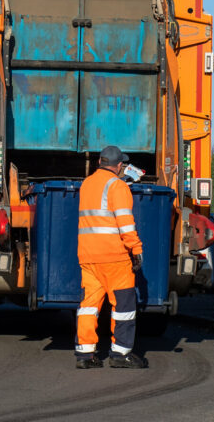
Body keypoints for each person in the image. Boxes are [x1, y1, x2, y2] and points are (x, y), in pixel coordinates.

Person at [75, 145, 147, 369]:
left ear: (99, 162)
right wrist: (136, 249)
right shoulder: (118, 186)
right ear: (119, 166)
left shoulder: (87, 184)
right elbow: (125, 223)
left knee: (89, 306)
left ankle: (85, 355)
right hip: (114, 257)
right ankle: (120, 354)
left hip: (88, 256)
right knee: (123, 305)